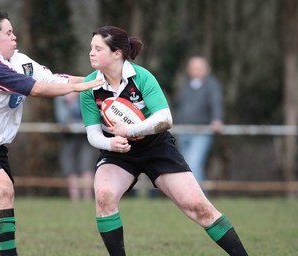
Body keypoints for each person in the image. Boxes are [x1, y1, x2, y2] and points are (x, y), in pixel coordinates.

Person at [0, 8, 103, 256]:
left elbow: (57, 80)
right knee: (4, 190)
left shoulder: (21, 61)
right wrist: (84, 86)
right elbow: (36, 89)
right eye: (8, 33)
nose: (14, 37)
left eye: (13, 32)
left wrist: (104, 80)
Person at [80, 26, 248, 256]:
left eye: (98, 48)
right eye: (91, 48)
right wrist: (111, 144)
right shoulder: (90, 87)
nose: (91, 52)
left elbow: (165, 118)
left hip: (155, 146)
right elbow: (92, 134)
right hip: (117, 151)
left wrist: (130, 130)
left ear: (117, 53)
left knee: (199, 208)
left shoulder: (141, 77)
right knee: (104, 195)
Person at [174, 56, 224, 184]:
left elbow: (216, 102)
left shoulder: (212, 84)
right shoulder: (184, 84)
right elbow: (179, 105)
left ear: (207, 69)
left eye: (199, 68)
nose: (196, 71)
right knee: (184, 167)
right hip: (183, 130)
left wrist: (217, 119)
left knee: (193, 164)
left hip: (201, 131)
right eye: (193, 68)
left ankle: (200, 200)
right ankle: (189, 200)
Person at [54, 92, 97, 200]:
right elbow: (62, 120)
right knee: (70, 168)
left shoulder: (86, 97)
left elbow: (91, 117)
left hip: (86, 137)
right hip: (68, 138)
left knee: (86, 167)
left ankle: (87, 199)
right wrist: (70, 104)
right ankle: (75, 199)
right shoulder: (60, 99)